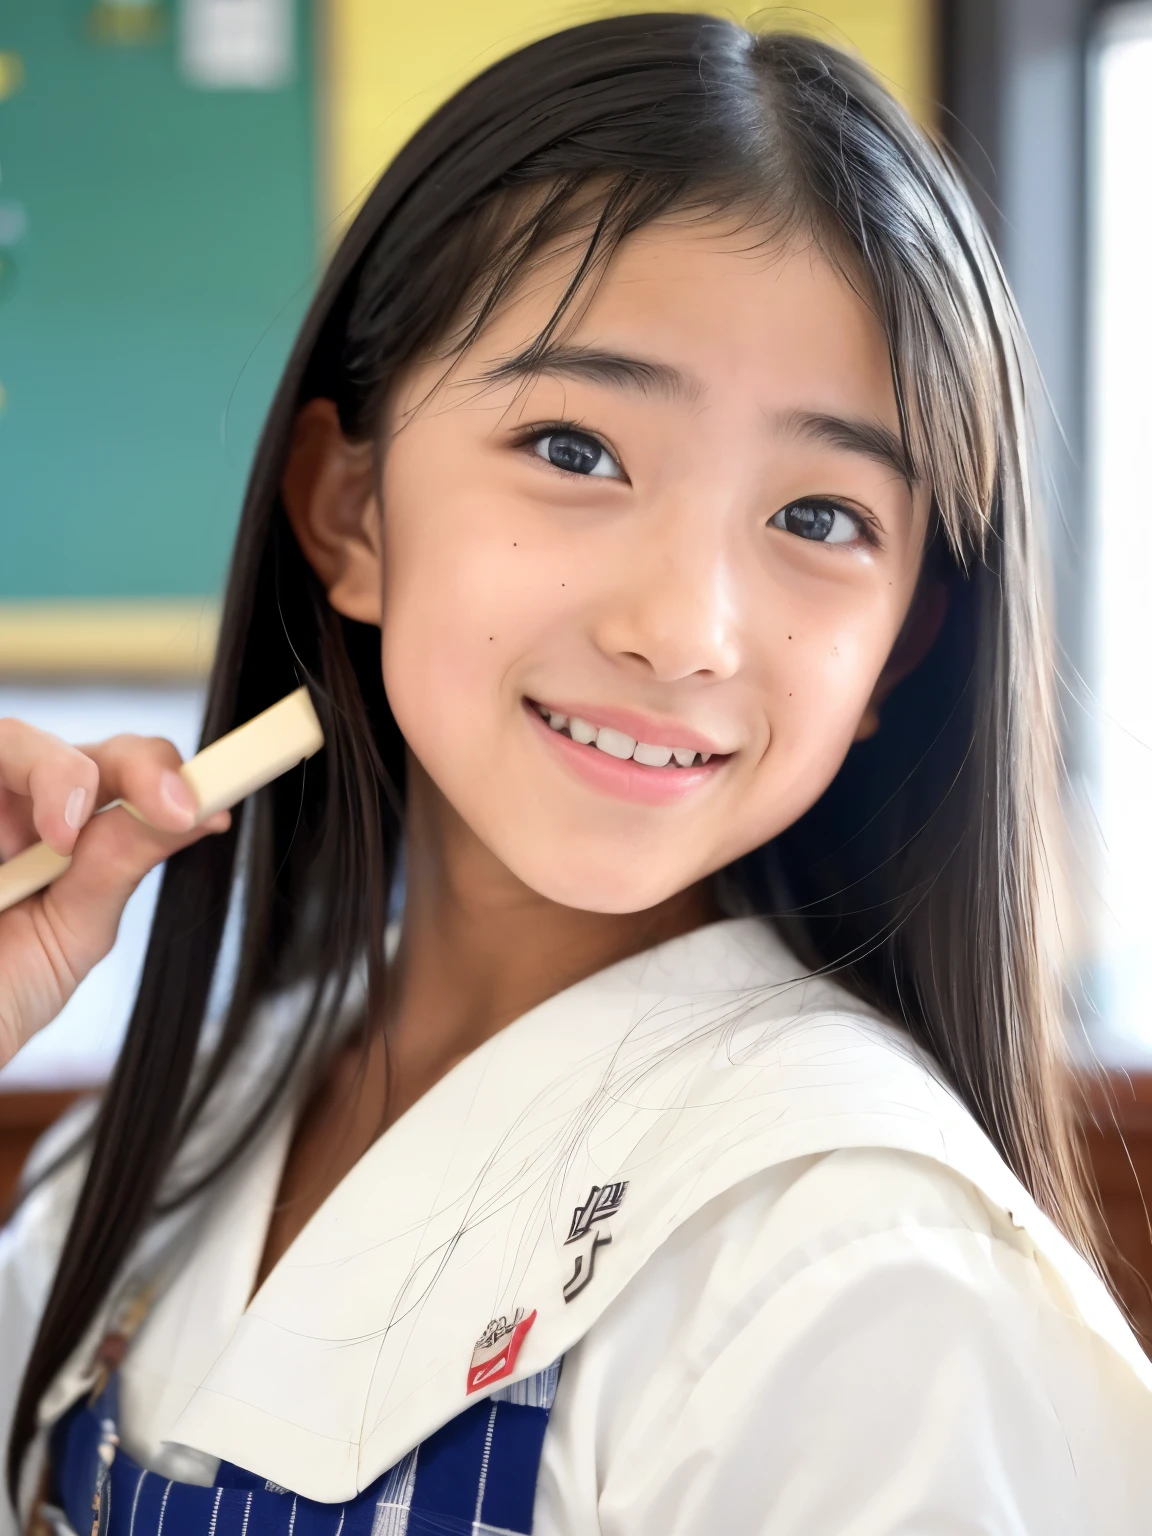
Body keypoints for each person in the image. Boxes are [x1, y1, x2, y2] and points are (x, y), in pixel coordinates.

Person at [1, 14, 1149, 1534]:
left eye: (818, 519)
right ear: (349, 512)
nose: (683, 630)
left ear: (897, 653)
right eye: (575, 447)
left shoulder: (865, 1279)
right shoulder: (145, 1158)